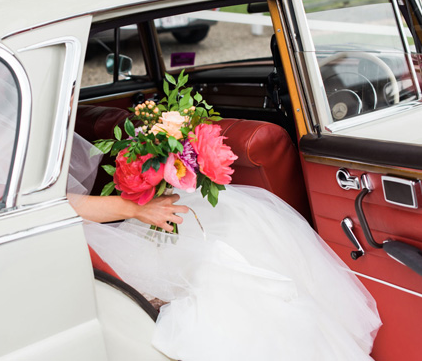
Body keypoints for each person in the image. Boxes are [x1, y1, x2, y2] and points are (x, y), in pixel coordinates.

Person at [68, 133, 382, 361]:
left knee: (232, 222)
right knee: (220, 266)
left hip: (103, 224)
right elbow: (59, 205)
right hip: (78, 236)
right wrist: (135, 208)